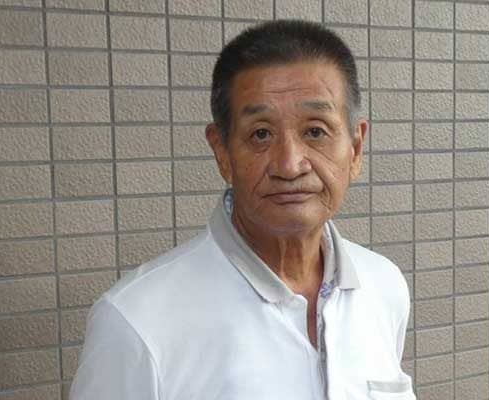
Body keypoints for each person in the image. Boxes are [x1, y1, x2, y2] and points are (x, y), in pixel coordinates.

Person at [69, 19, 414, 400]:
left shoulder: (384, 286)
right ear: (222, 152)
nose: (290, 165)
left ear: (355, 148)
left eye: (315, 131)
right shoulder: (135, 323)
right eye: (261, 134)